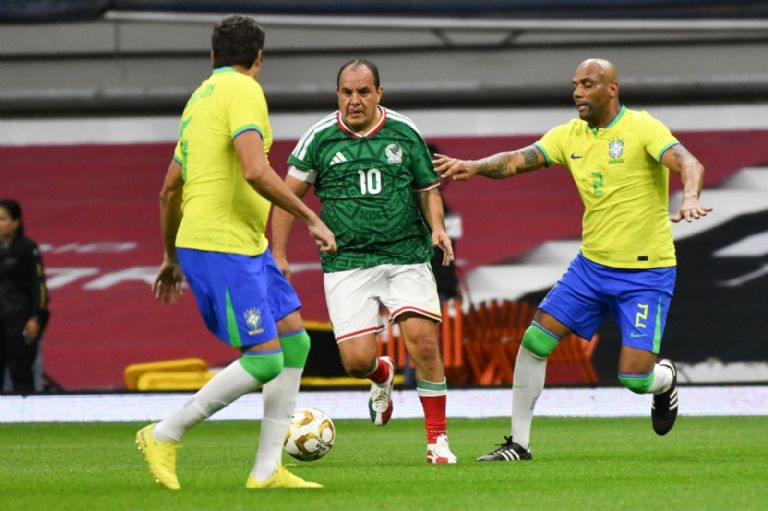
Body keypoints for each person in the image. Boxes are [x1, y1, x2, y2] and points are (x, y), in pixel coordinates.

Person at [434, 58, 711, 461]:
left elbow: (690, 162)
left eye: (588, 84)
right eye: (575, 85)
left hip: (646, 272)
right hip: (592, 269)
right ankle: (519, 444)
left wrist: (688, 196)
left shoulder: (642, 127)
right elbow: (515, 160)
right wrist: (475, 166)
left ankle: (664, 382)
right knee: (534, 340)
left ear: (611, 88)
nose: (578, 92)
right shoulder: (570, 136)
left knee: (634, 378)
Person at [135, 15, 336, 490]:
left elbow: (168, 190)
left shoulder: (198, 100)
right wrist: (310, 217)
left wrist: (169, 256)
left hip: (244, 244)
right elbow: (253, 169)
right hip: (221, 243)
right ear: (258, 59)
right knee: (265, 359)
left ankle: (267, 471)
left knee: (295, 341)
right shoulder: (245, 91)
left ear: (212, 57)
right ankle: (164, 433)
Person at [271, 58, 458, 464]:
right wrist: (279, 253)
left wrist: (438, 228)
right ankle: (381, 374)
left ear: (379, 94)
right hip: (348, 262)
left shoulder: (404, 132)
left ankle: (437, 442)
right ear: (337, 94)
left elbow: (428, 189)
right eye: (346, 92)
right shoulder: (319, 138)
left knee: (424, 344)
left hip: (406, 253)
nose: (354, 101)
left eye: (363, 92)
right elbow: (286, 198)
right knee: (356, 362)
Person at [0, 199, 50, 394]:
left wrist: (36, 317)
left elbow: (39, 286)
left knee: (21, 372)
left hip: (19, 318)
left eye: (3, 219)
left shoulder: (27, 249)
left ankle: (27, 419)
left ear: (16, 222)